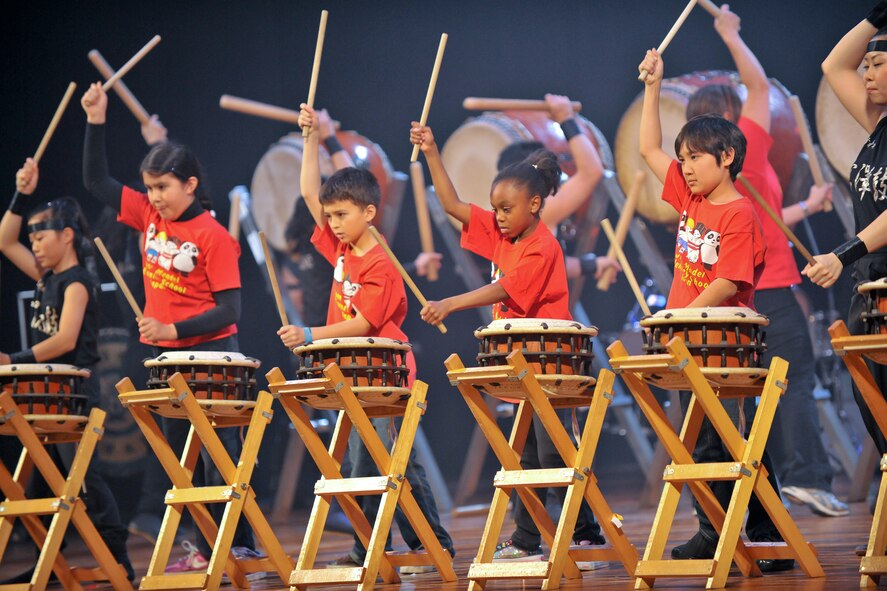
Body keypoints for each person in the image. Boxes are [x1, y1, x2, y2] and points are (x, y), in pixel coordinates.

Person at [80, 82, 263, 577]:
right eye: (149, 187)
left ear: (188, 184)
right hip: (168, 359)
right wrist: (96, 120)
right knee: (181, 461)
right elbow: (96, 180)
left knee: (218, 463)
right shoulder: (146, 215)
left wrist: (171, 326)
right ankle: (206, 547)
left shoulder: (214, 236)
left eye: (163, 187)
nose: (154, 197)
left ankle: (240, 545)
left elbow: (230, 311)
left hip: (212, 355)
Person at [411, 121, 606, 569]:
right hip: (524, 362)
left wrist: (451, 303)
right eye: (495, 207)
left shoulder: (541, 246)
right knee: (530, 453)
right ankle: (530, 537)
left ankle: (585, 533)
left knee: (554, 451)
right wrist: (433, 150)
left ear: (534, 205)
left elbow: (506, 290)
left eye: (506, 207)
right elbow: (451, 204)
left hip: (553, 361)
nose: (496, 216)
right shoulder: (504, 234)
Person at [277, 104, 454, 574]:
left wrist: (311, 333)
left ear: (369, 212)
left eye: (342, 214)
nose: (332, 222)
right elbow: (309, 191)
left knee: (384, 465)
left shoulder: (381, 264)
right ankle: (399, 544)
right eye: (330, 215)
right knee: (377, 466)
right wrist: (311, 138)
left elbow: (363, 323)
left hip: (386, 373)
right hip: (356, 373)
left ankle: (406, 545)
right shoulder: (341, 247)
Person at [685, 4, 846, 518]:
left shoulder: (700, 176)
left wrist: (807, 206)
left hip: (733, 298)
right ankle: (807, 479)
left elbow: (764, 216)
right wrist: (731, 35)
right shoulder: (740, 148)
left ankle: (758, 498)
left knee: (749, 393)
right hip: (768, 287)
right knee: (794, 380)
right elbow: (759, 89)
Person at [638, 48, 795, 572]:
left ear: (727, 156)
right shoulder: (691, 199)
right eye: (682, 160)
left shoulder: (739, 211)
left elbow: (728, 282)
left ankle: (725, 534)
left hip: (724, 346)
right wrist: (653, 87)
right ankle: (760, 532)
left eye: (695, 158)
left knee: (722, 443)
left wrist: (675, 316)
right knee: (726, 441)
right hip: (692, 343)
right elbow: (645, 147)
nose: (684, 168)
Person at [0, 160, 134, 582]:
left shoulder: (77, 281)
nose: (34, 243)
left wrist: (13, 361)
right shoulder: (46, 277)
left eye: (41, 236)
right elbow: (5, 239)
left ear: (67, 235)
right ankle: (52, 564)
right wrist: (21, 194)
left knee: (83, 481)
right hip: (51, 390)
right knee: (60, 482)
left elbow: (64, 341)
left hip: (76, 392)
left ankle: (117, 560)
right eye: (33, 237)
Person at [808, 1, 887, 496]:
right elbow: (833, 65)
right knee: (876, 413)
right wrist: (878, 16)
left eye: (879, 63)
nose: (867, 71)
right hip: (869, 289)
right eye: (871, 64)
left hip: (876, 278)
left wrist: (844, 253)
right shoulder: (878, 124)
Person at [495, 93, 620, 282]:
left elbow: (547, 265)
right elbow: (591, 171)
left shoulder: (505, 214)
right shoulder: (536, 209)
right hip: (533, 311)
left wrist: (590, 265)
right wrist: (565, 119)